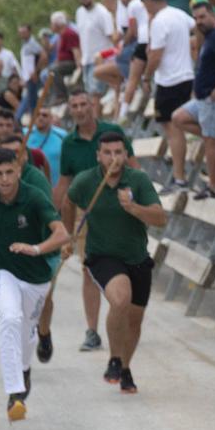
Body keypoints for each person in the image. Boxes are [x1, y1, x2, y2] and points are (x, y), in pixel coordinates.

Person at [0, 146, 70, 422]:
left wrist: (35, 249)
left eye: (9, 172)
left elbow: (62, 234)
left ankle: (24, 370)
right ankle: (15, 392)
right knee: (9, 318)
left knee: (26, 333)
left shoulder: (34, 197)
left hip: (35, 277)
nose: (4, 179)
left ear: (19, 171)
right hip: (0, 271)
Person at [66, 125, 166, 394]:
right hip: (102, 256)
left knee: (134, 320)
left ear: (125, 154)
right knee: (120, 300)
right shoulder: (87, 181)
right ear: (98, 155)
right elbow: (68, 201)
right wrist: (67, 236)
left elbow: (160, 218)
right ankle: (113, 358)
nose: (114, 158)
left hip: (137, 257)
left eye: (119, 152)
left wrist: (133, 208)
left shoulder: (138, 180)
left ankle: (125, 367)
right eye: (108, 153)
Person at [55, 88, 109, 353]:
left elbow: (133, 167)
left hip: (115, 209)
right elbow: (65, 184)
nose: (79, 110)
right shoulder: (69, 143)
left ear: (92, 106)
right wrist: (56, 222)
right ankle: (92, 331)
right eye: (74, 105)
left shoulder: (111, 133)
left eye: (83, 104)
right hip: (85, 213)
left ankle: (123, 320)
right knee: (89, 269)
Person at [170, 1, 215, 195]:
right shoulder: (208, 38)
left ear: (213, 15)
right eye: (196, 18)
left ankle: (213, 187)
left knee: (209, 142)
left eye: (202, 16)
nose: (199, 21)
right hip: (203, 100)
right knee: (178, 118)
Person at [140, 0, 199, 183]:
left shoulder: (159, 21)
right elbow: (197, 27)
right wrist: (195, 51)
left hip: (169, 80)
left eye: (144, 2)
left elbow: (155, 55)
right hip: (186, 75)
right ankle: (181, 173)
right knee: (179, 126)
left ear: (149, 1)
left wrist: (146, 77)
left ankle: (179, 176)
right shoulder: (179, 14)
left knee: (173, 130)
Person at [73, 0, 116, 96]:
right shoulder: (79, 12)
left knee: (96, 93)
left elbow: (111, 36)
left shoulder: (102, 12)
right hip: (86, 60)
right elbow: (81, 37)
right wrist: (80, 58)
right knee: (89, 94)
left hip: (100, 59)